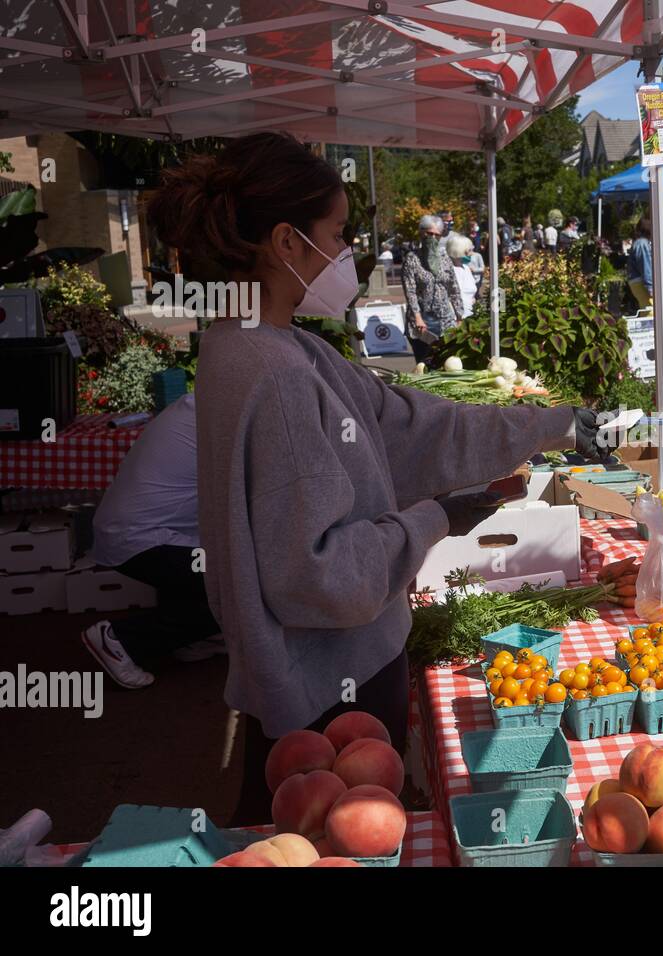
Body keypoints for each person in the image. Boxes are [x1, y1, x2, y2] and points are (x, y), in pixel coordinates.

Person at [147, 132, 603, 824]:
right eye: (336, 234)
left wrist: (555, 425)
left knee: (282, 830)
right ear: (285, 244)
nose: (346, 254)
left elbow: (410, 425)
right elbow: (319, 576)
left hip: (304, 678)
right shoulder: (279, 379)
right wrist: (433, 521)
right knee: (333, 835)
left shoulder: (256, 344)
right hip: (330, 688)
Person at [81, 393, 223, 690]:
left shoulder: (199, 404)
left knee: (213, 565)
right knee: (234, 587)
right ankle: (119, 639)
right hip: (140, 539)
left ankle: (191, 640)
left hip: (140, 532)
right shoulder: (222, 419)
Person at [401, 214, 463, 363]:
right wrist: (417, 317)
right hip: (422, 323)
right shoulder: (412, 259)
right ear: (421, 232)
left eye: (437, 235)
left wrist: (459, 316)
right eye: (429, 233)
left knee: (447, 363)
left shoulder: (444, 258)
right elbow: (410, 291)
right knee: (425, 364)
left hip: (445, 321)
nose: (433, 238)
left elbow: (454, 288)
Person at [447, 232, 478, 317]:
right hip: (456, 318)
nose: (472, 254)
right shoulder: (450, 270)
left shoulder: (466, 268)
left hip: (469, 315)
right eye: (469, 250)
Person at [626, 216, 654, 310]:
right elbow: (645, 265)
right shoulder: (642, 244)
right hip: (640, 281)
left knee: (646, 310)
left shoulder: (640, 242)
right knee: (650, 312)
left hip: (636, 280)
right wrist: (650, 286)